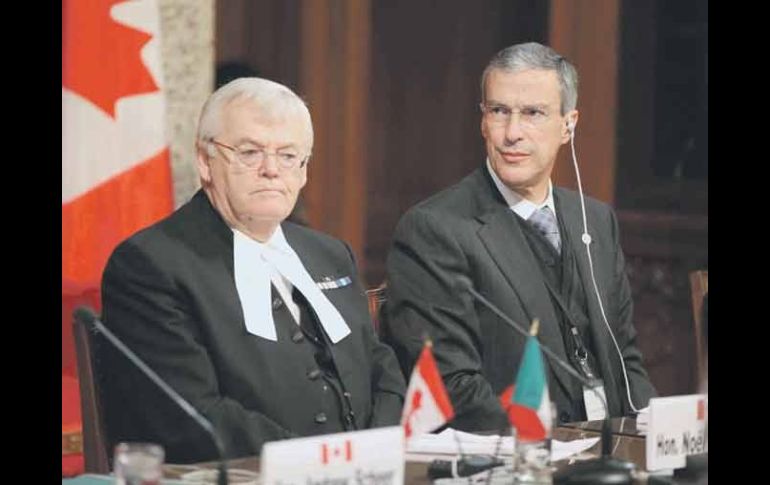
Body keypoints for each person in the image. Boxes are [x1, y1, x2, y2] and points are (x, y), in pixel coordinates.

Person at [100, 77, 406, 463]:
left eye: (288, 155)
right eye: (249, 152)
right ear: (204, 160)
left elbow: (382, 369)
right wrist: (321, 463)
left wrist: (371, 456)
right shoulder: (151, 265)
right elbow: (189, 415)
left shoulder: (329, 254)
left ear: (304, 170)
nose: (271, 170)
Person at [382, 42, 656, 432]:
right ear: (482, 121)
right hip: (519, 453)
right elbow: (451, 386)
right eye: (499, 111)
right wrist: (550, 443)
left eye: (533, 114)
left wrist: (653, 434)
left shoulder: (595, 220)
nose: (512, 133)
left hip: (608, 451)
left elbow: (625, 360)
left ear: (568, 125)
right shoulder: (435, 228)